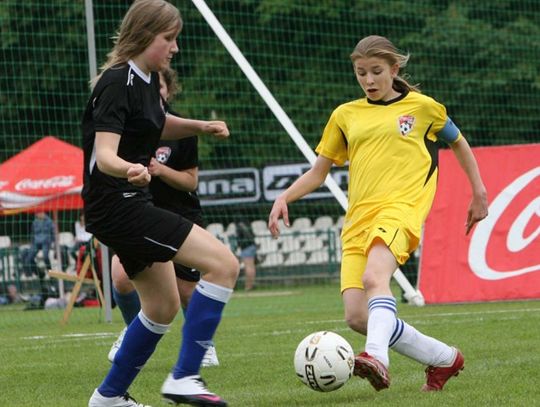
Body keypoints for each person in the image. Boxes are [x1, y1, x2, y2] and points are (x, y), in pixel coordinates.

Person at [268, 35, 488, 393]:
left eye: (376, 72)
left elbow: (458, 141)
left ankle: (377, 359)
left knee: (375, 280)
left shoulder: (423, 108)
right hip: (358, 221)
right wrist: (285, 197)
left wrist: (478, 191)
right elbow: (318, 172)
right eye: (361, 73)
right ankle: (445, 358)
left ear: (394, 69)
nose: (368, 80)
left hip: (401, 210)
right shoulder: (344, 115)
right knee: (358, 316)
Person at [82, 1, 239, 406]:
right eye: (168, 39)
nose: (175, 47)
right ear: (143, 35)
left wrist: (199, 126)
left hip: (125, 204)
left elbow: (158, 121)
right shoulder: (117, 82)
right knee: (223, 265)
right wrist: (129, 170)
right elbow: (105, 155)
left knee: (162, 305)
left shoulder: (148, 80)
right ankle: (186, 376)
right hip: (120, 205)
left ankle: (108, 398)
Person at [108, 66, 219, 368]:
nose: (155, 94)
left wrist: (161, 171)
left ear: (169, 91)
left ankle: (201, 344)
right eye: (149, 88)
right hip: (140, 213)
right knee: (120, 277)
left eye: (160, 89)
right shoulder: (128, 127)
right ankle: (135, 335)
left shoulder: (182, 129)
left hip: (179, 214)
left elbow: (191, 182)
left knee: (186, 290)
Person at [235, 220, 257, 291]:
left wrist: (239, 245)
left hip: (246, 247)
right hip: (252, 245)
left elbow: (239, 240)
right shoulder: (247, 224)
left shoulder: (239, 226)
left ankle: (248, 286)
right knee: (251, 267)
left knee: (248, 267)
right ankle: (251, 285)